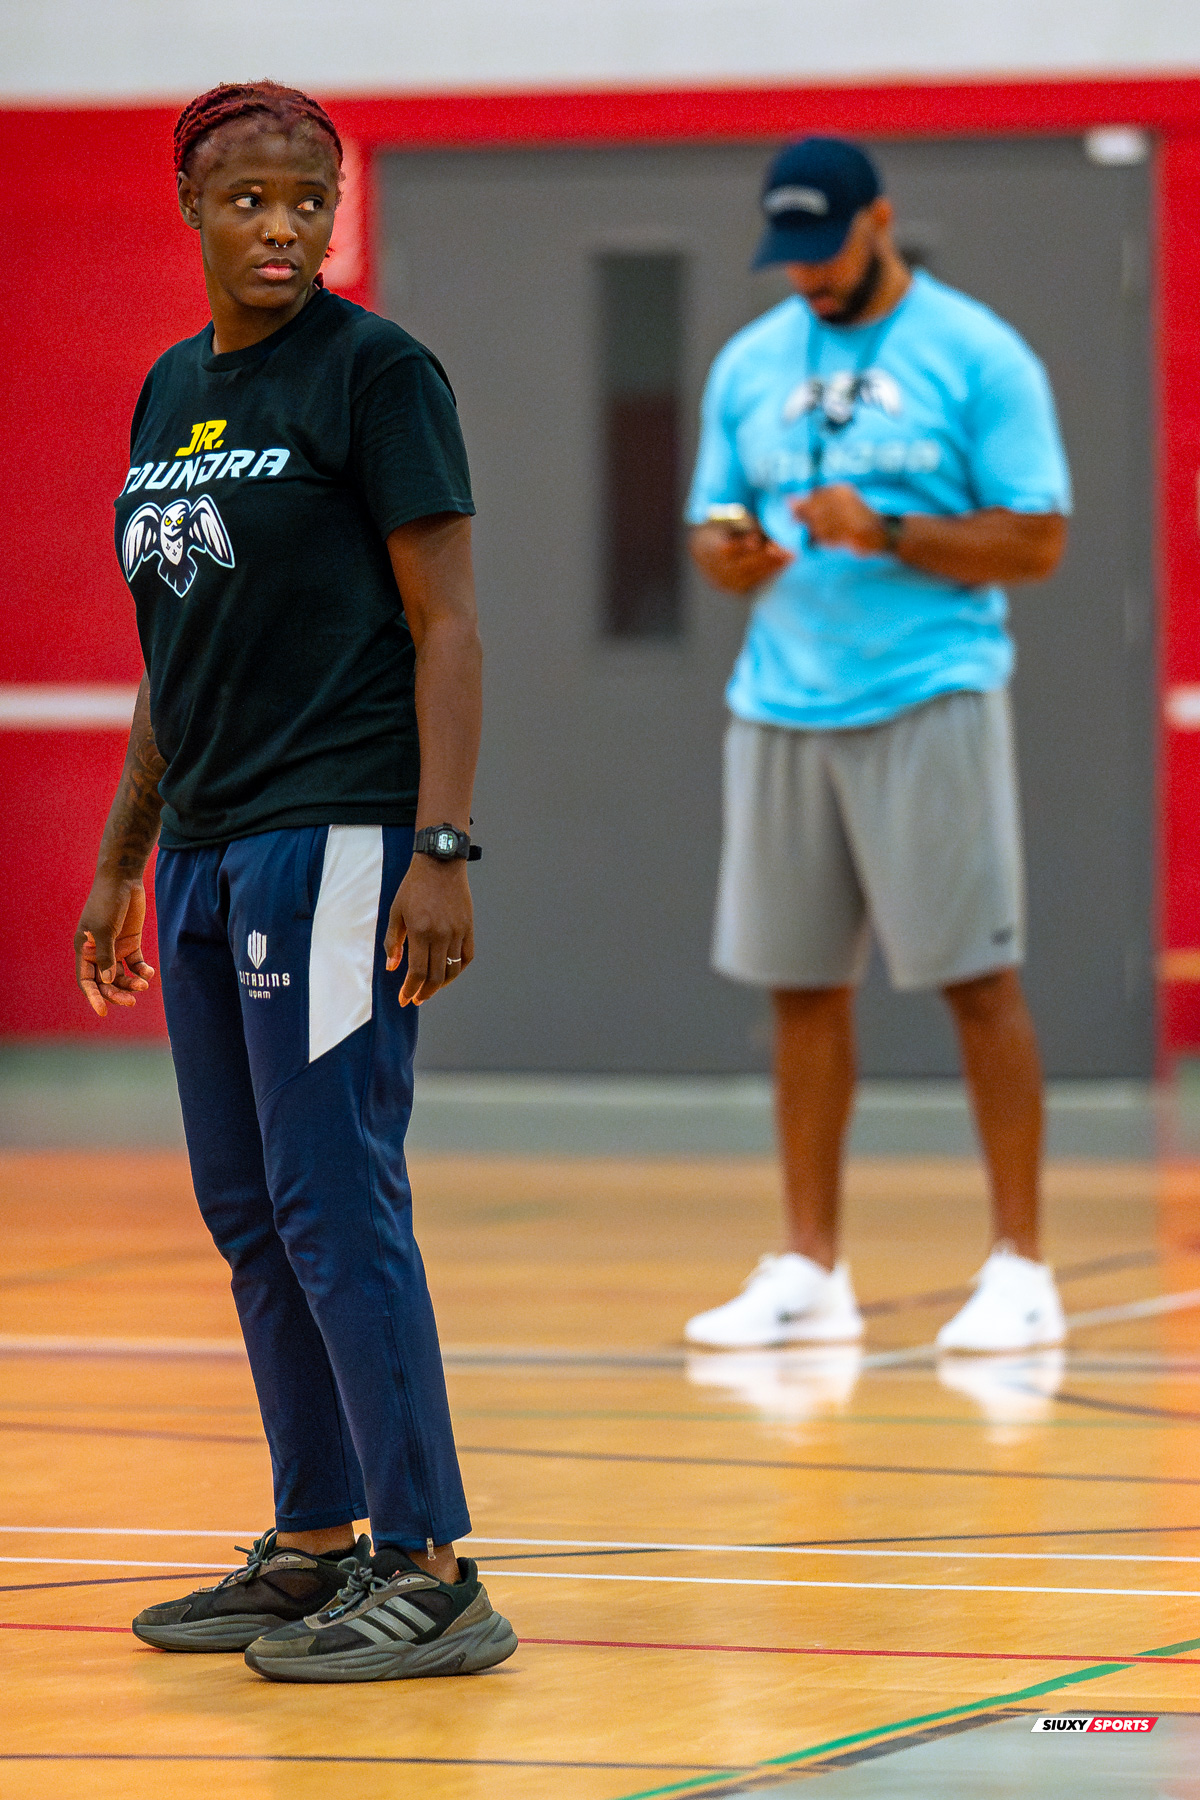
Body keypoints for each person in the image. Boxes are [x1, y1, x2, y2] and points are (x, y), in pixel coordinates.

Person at [74, 81, 516, 1683]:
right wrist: (125, 855)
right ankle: (318, 1536)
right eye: (250, 200)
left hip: (333, 838)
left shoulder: (378, 374)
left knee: (337, 1201)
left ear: (337, 212)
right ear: (191, 208)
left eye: (308, 200)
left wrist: (440, 847)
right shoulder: (168, 391)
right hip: (202, 851)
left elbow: (447, 622)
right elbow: (169, 650)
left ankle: (434, 1567)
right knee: (250, 1210)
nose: (282, 227)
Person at [683, 138, 1071, 1355]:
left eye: (824, 250)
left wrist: (890, 530)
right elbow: (709, 525)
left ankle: (1020, 1268)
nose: (805, 277)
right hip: (783, 705)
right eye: (787, 256)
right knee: (800, 989)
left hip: (929, 696)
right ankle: (810, 1267)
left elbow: (1038, 540)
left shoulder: (978, 354)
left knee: (976, 979)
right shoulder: (749, 365)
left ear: (881, 221)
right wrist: (730, 554)